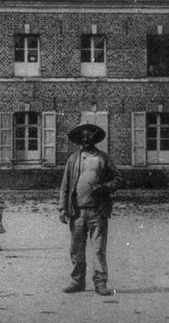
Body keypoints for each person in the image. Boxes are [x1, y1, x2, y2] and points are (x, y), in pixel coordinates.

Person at [59, 124, 123, 296]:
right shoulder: (73, 159)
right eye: (83, 136)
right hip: (77, 212)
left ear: (95, 138)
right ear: (79, 139)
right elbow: (65, 185)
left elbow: (118, 179)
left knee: (98, 249)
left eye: (89, 136)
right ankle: (77, 281)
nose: (86, 139)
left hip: (98, 211)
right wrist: (62, 208)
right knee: (76, 249)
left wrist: (104, 188)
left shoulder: (104, 158)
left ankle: (100, 283)